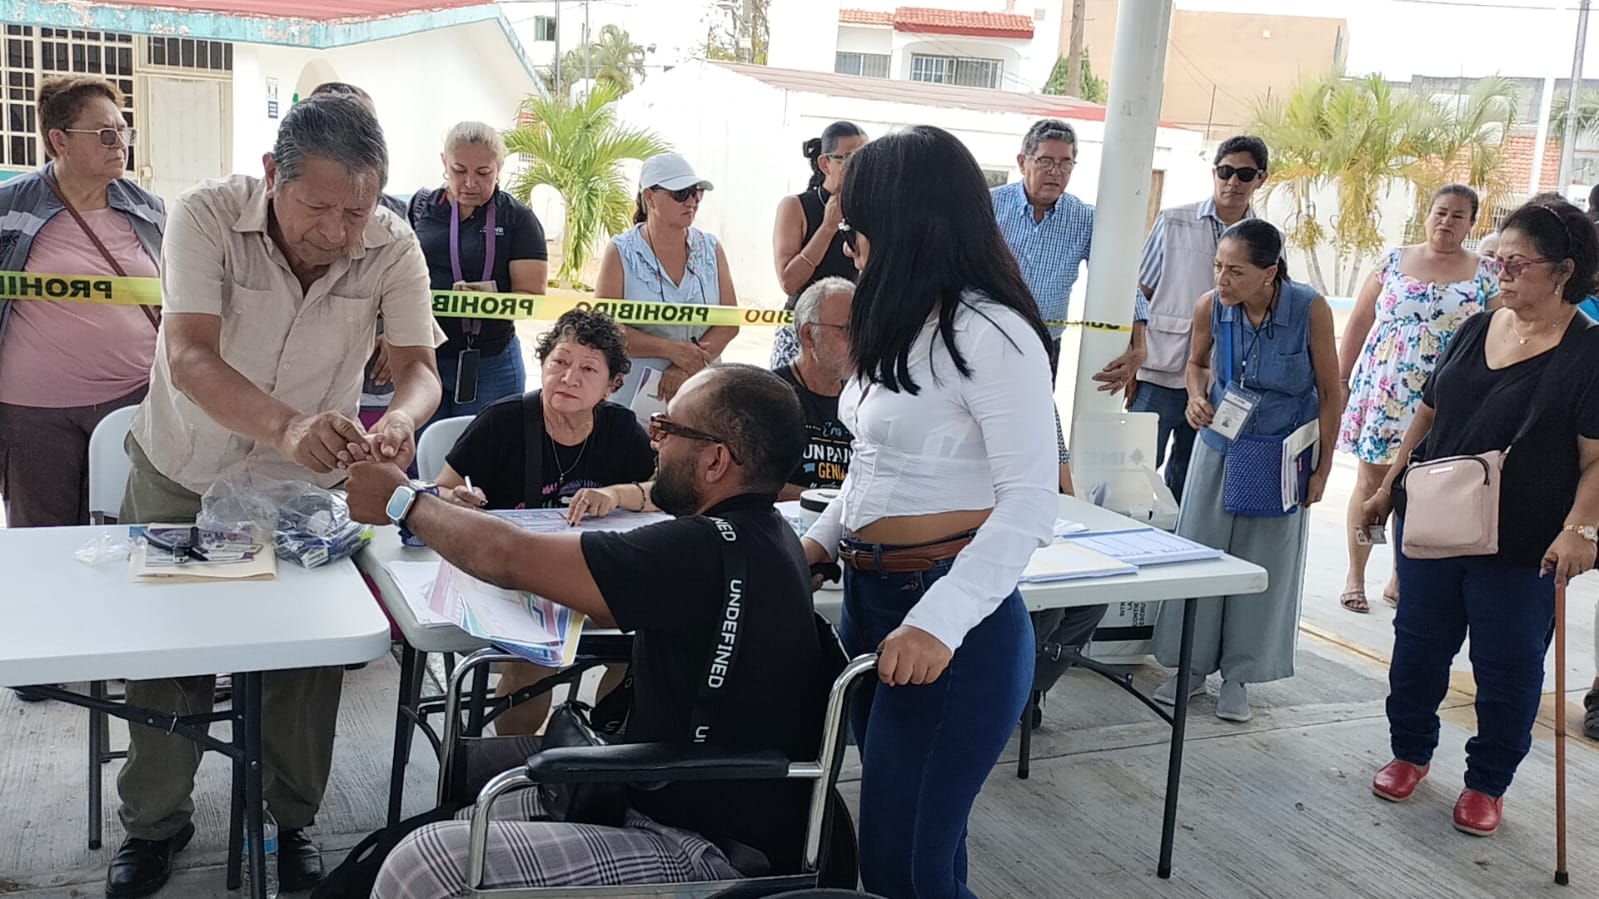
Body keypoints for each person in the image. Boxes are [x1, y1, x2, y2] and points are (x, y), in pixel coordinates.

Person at [108, 95, 444, 899]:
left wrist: (400, 420)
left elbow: (419, 367)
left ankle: (288, 818)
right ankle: (154, 824)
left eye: (356, 211)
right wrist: (287, 425)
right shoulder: (206, 217)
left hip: (304, 491)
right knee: (167, 658)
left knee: (307, 664)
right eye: (319, 208)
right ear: (271, 176)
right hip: (184, 469)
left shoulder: (392, 244)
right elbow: (188, 355)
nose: (338, 232)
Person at [347, 365, 829, 897]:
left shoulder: (702, 549)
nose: (655, 445)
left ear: (716, 460)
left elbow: (506, 556)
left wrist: (405, 503)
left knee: (422, 864)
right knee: (446, 809)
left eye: (667, 430)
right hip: (673, 783)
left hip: (706, 837)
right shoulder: (766, 533)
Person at [802, 125, 1057, 898]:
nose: (847, 239)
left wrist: (937, 622)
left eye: (856, 220)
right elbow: (874, 466)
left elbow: (1029, 503)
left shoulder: (993, 332)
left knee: (900, 865)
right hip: (873, 604)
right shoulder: (901, 317)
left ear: (906, 221)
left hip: (949, 623)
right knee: (922, 855)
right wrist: (817, 541)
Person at [1362, 197, 1599, 838]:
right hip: (1435, 521)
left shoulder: (1590, 352)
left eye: (1517, 263)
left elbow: (1596, 460)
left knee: (1508, 668)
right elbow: (1429, 412)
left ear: (1563, 270)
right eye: (1499, 260)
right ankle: (1410, 751)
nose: (1502, 272)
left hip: (1524, 543)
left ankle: (1486, 783)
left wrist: (1581, 530)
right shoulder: (1475, 327)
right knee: (1416, 647)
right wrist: (1388, 486)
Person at [0, 75, 163, 704]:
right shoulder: (12, 207)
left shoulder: (145, 207)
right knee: (41, 534)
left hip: (132, 401)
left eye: (122, 129)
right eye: (103, 133)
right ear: (58, 140)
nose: (118, 141)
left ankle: (121, 644)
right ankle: (38, 656)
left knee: (129, 532)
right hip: (32, 408)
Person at [429, 308, 656, 736]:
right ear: (543, 365)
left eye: (588, 368)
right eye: (560, 362)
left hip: (591, 573)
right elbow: (439, 490)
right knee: (534, 660)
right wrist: (459, 499)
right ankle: (517, 767)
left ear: (612, 385)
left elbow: (662, 493)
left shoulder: (621, 429)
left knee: (639, 648)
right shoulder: (504, 420)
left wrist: (614, 495)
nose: (569, 377)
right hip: (515, 578)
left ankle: (604, 749)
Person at [1150, 219, 1340, 724]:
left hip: (1282, 450)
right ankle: (1189, 668)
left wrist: (1321, 469)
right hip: (1220, 443)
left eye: (1235, 270)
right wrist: (1195, 397)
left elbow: (1330, 391)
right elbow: (1195, 364)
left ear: (1269, 274)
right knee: (1200, 551)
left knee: (1264, 565)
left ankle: (1240, 676)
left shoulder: (1310, 309)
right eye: (1218, 267)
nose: (1222, 279)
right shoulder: (1211, 305)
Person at [990, 118, 1149, 707]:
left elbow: (1123, 283)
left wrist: (1139, 342)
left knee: (1033, 438)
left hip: (1042, 344)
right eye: (1048, 160)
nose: (1056, 172)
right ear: (1023, 159)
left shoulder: (1082, 218)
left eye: (1066, 163)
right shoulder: (989, 208)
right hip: (982, 337)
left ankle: (1028, 684)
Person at [1335, 184, 1497, 614]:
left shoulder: (1485, 273)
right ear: (1426, 215)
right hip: (1385, 391)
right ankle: (1356, 574)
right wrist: (1341, 378)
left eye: (1458, 216)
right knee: (1372, 483)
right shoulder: (1393, 261)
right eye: (1440, 212)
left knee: (1423, 488)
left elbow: (1501, 331)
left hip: (1448, 397)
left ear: (1472, 224)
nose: (1447, 222)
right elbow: (1359, 322)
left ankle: (1401, 575)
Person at [1133, 135, 1269, 500]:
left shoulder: (1267, 241)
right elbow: (1139, 292)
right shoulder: (1174, 221)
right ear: (1214, 173)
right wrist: (1133, 357)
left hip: (1223, 381)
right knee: (1135, 474)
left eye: (1245, 174)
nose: (1233, 182)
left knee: (1193, 482)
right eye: (1226, 172)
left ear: (1261, 179)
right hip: (1160, 369)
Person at [406, 121, 547, 425]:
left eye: (483, 173)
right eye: (458, 170)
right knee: (423, 459)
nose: (470, 183)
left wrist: (489, 301)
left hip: (492, 361)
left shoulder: (518, 219)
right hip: (426, 357)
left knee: (486, 461)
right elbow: (394, 283)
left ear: (499, 169)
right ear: (444, 162)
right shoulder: (420, 209)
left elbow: (533, 300)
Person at [596, 153, 739, 417]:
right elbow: (606, 329)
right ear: (649, 197)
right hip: (633, 393)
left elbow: (730, 321)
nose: (692, 202)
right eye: (681, 193)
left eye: (697, 193)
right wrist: (669, 349)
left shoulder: (711, 247)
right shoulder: (620, 251)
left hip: (699, 385)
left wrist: (686, 365)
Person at [769, 121, 867, 369]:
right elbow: (789, 281)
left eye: (866, 157)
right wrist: (827, 228)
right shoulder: (796, 206)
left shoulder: (871, 210)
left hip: (850, 331)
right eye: (848, 158)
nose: (860, 167)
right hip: (802, 330)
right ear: (826, 164)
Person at [773, 276, 855, 500]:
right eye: (847, 330)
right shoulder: (769, 397)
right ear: (808, 335)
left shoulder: (863, 399)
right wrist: (825, 500)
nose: (860, 342)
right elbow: (751, 484)